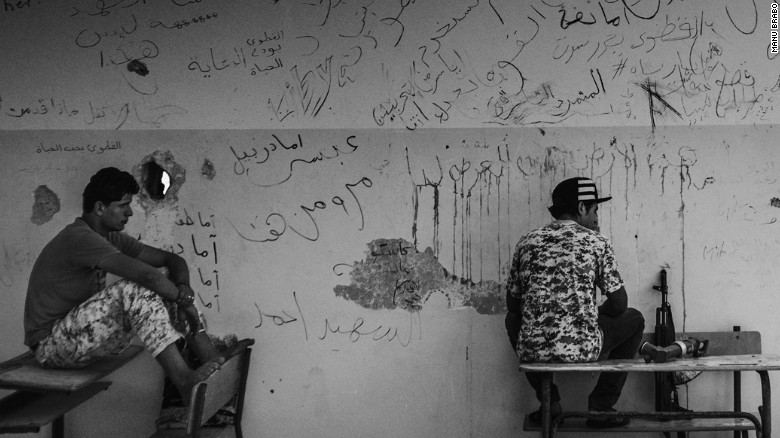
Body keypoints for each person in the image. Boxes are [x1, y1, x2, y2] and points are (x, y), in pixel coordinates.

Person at [24, 167, 234, 404]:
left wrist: (183, 289)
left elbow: (172, 261)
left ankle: (213, 361)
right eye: (123, 205)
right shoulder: (79, 237)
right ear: (100, 207)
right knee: (136, 288)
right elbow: (146, 276)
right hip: (51, 346)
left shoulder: (109, 236)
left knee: (169, 281)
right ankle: (184, 381)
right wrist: (183, 302)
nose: (130, 213)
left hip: (79, 336)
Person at [505, 177, 645, 428]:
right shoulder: (596, 241)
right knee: (634, 318)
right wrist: (591, 313)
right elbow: (619, 305)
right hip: (583, 348)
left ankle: (551, 405)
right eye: (594, 210)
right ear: (581, 207)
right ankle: (601, 407)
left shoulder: (526, 242)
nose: (596, 218)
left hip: (534, 351)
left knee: (512, 321)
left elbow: (513, 307)